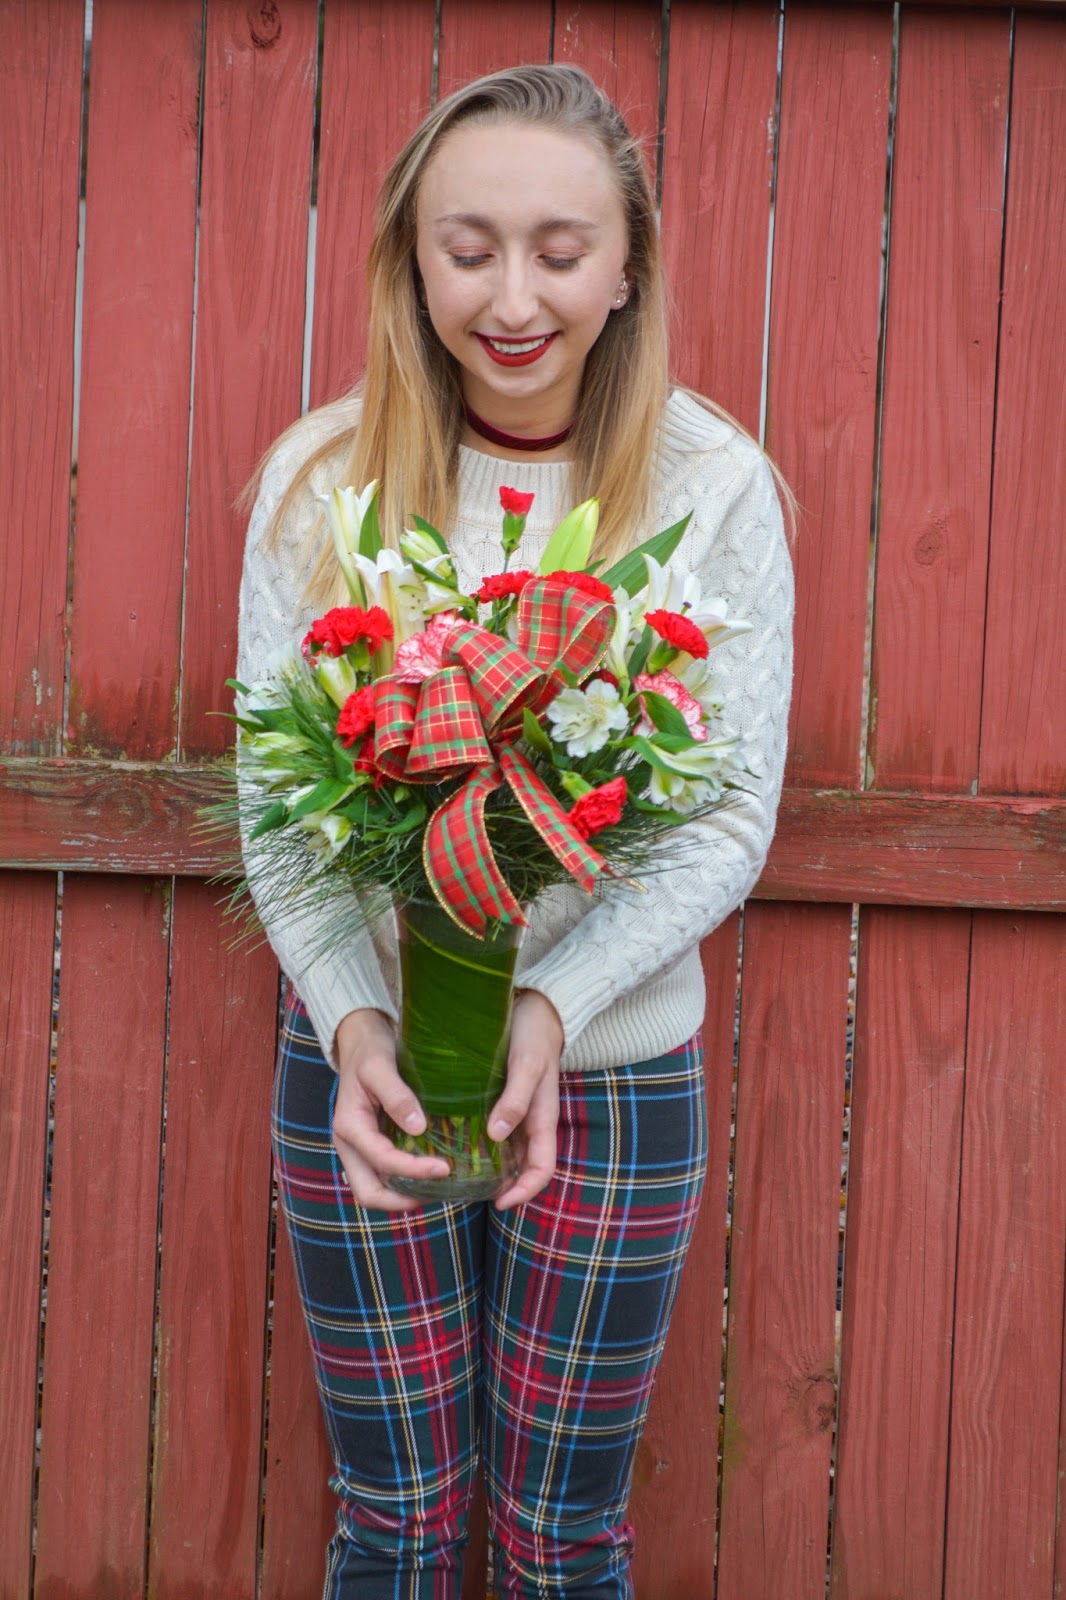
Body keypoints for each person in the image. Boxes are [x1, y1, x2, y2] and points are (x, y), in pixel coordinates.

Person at [237, 63, 793, 1600]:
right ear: (411, 259)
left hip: (611, 1086)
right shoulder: (316, 482)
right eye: (465, 245)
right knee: (396, 1524)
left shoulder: (711, 487)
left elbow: (726, 813)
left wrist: (550, 1004)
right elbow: (277, 808)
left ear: (628, 269)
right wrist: (353, 1029)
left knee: (560, 1540)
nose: (511, 294)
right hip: (371, 1080)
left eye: (559, 249)